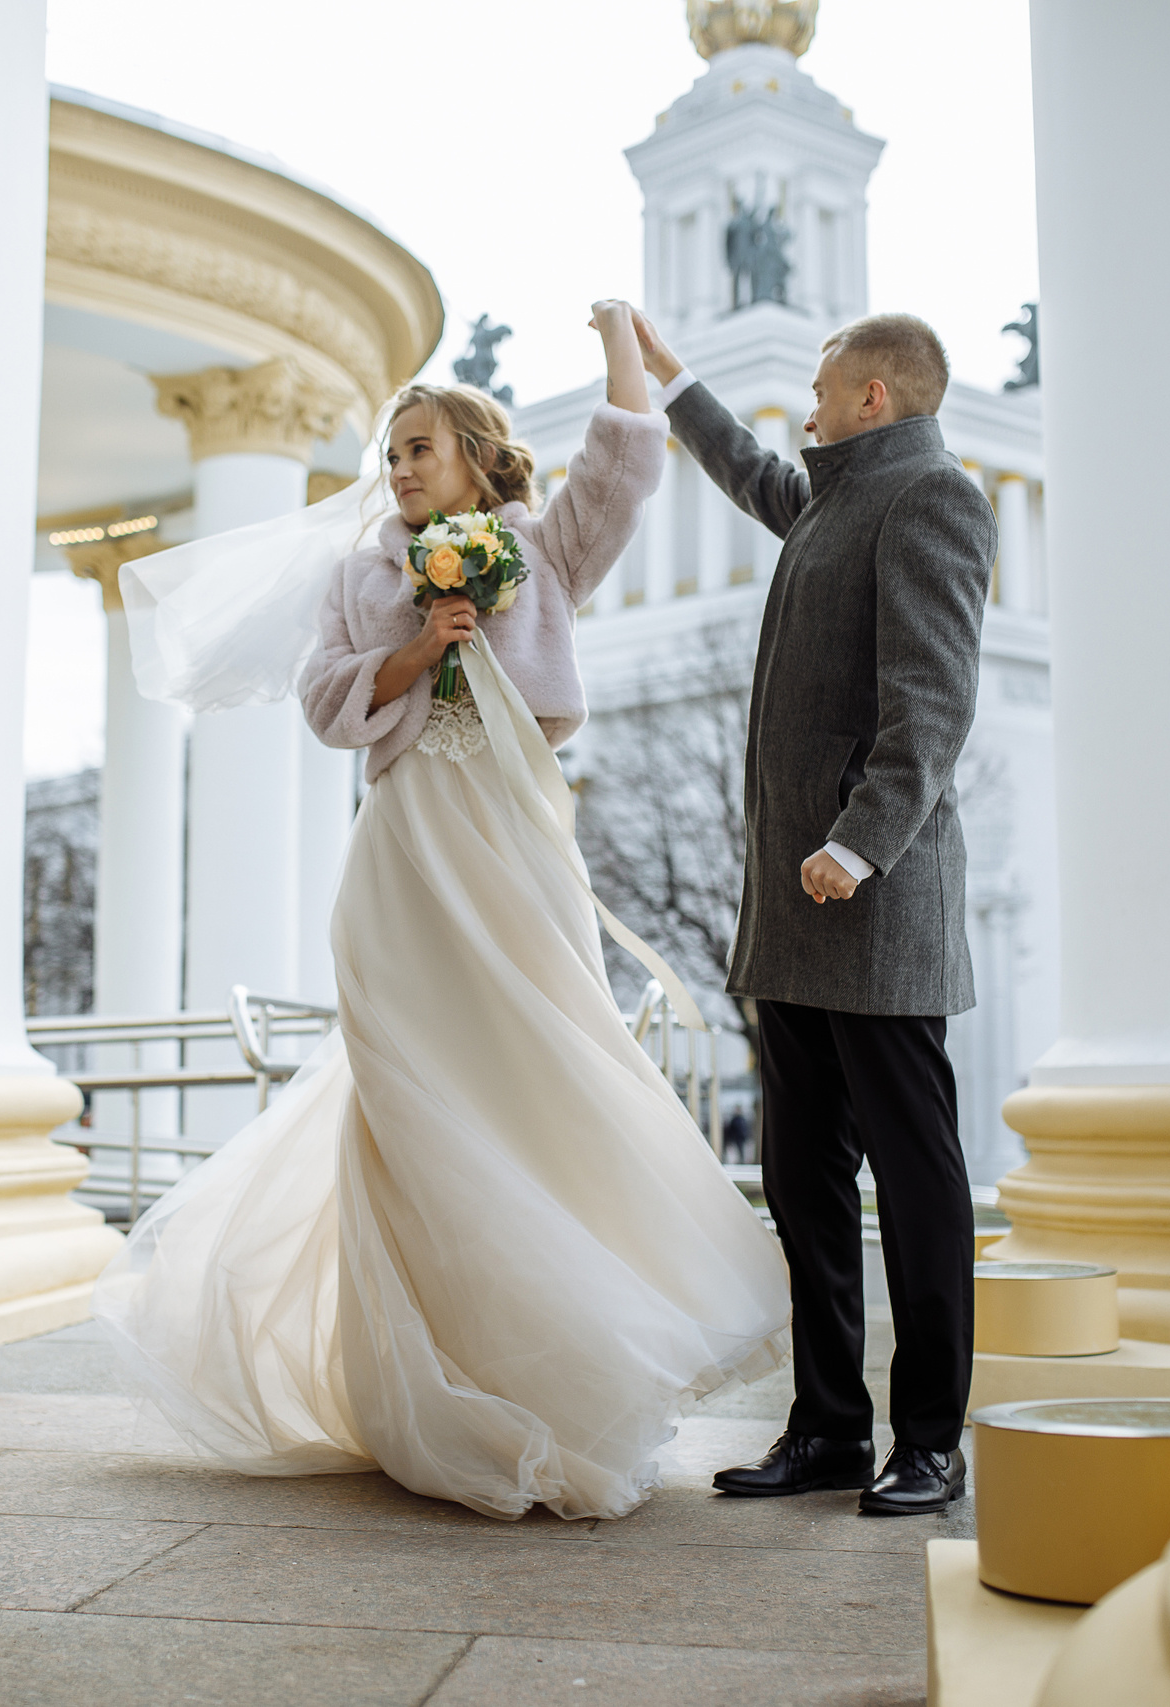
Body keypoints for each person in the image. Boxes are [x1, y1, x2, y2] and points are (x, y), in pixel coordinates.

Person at [94, 302, 790, 1523]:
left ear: (477, 455)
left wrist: (620, 336)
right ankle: (431, 1382)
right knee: (414, 1097)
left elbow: (628, 455)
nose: (400, 469)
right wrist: (415, 652)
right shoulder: (363, 577)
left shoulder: (545, 546)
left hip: (515, 839)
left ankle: (566, 1376)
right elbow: (323, 701)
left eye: (419, 447)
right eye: (391, 456)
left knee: (541, 1074)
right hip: (407, 847)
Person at [632, 308, 993, 1516]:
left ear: (877, 397)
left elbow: (930, 706)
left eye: (827, 392)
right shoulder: (835, 500)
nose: (810, 408)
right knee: (803, 1181)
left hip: (870, 903)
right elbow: (751, 469)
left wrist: (856, 842)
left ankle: (928, 1439)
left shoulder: (930, 500)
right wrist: (669, 376)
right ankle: (830, 1429)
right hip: (794, 915)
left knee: (918, 1179)